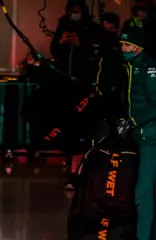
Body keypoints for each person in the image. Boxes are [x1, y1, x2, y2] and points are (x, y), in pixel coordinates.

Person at [52, 0, 102, 189]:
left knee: (81, 126)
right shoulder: (63, 24)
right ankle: (71, 160)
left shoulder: (90, 28)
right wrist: (61, 42)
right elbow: (54, 50)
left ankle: (76, 170)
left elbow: (93, 54)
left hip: (83, 83)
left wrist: (79, 44)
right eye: (71, 11)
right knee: (67, 124)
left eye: (77, 11)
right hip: (65, 83)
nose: (74, 13)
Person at [117, 19, 156, 240]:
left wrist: (133, 121)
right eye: (121, 44)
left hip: (152, 137)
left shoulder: (149, 68)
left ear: (138, 47)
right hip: (144, 136)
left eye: (127, 45)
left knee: (142, 194)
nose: (123, 49)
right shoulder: (134, 68)